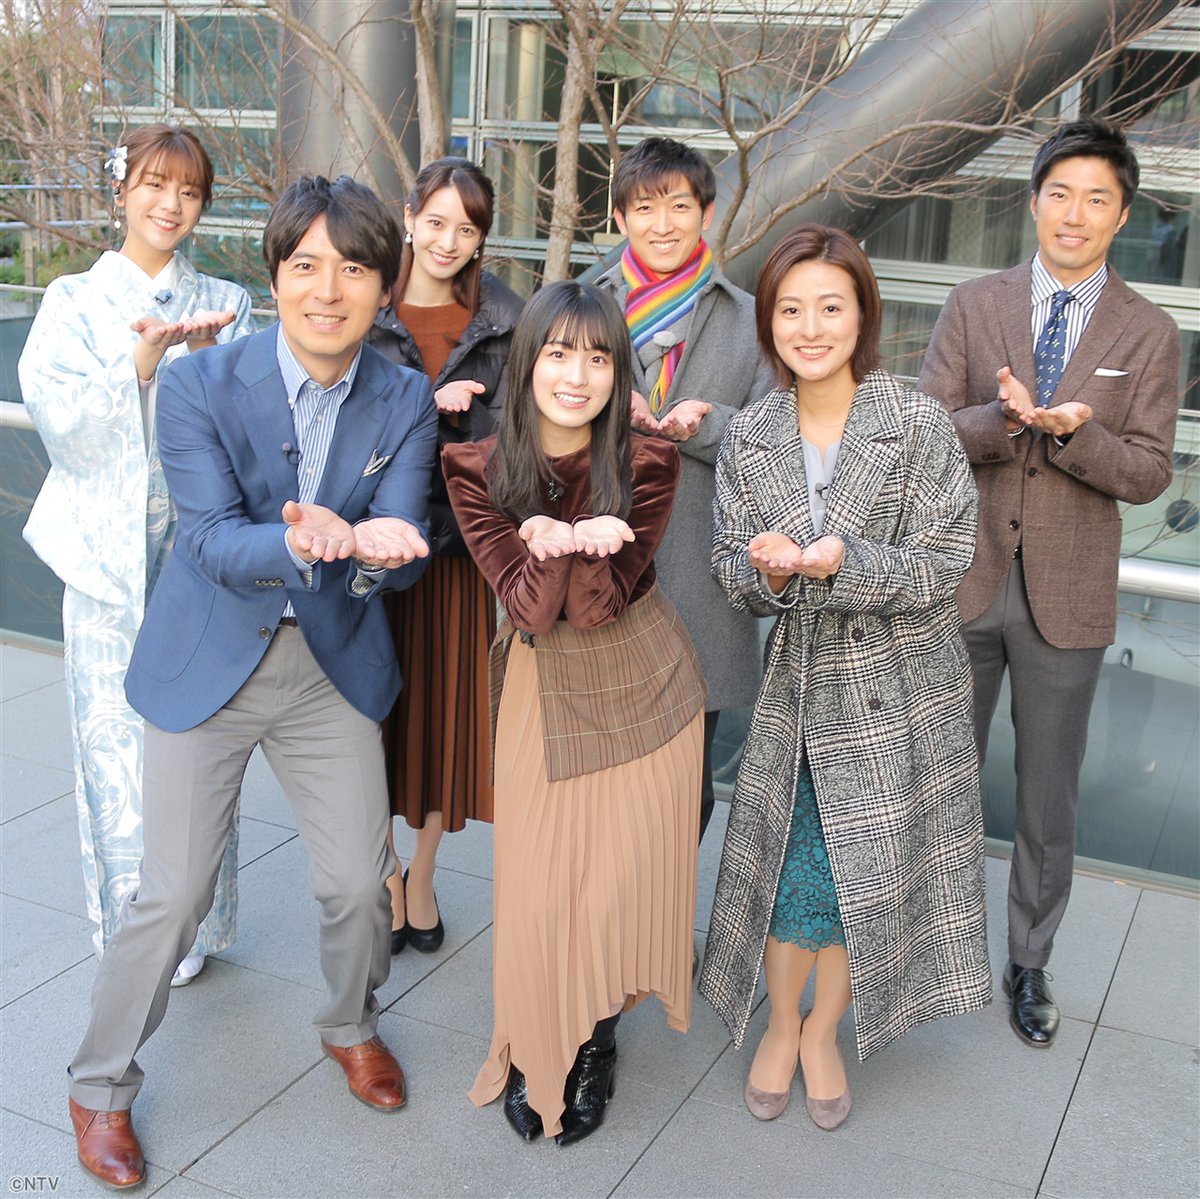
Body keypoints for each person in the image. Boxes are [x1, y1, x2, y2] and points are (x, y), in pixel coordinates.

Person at [64, 174, 438, 1190]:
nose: (328, 289)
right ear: (275, 278)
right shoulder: (199, 383)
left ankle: (351, 1024)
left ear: (383, 286)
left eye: (353, 268)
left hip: (329, 667)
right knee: (174, 890)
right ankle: (98, 1085)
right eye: (306, 265)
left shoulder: (403, 395)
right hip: (210, 659)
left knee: (359, 882)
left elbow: (404, 536)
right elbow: (212, 540)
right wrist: (305, 539)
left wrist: (376, 551)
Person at [699, 225, 990, 1131]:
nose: (811, 327)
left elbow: (948, 559)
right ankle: (782, 1023)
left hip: (901, 690)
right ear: (768, 322)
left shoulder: (916, 421)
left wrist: (846, 562)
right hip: (799, 690)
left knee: (863, 875)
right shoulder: (751, 433)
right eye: (790, 309)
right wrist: (770, 572)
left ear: (863, 314)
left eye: (831, 306)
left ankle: (824, 1030)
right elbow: (730, 567)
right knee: (791, 874)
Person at [918, 117, 1180, 1049]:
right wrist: (1002, 420)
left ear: (1121, 214)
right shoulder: (972, 302)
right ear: (1034, 202)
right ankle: (923, 941)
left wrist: (1077, 434)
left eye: (1096, 198)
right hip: (963, 578)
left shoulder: (1150, 331)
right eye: (1060, 193)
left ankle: (1029, 960)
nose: (1075, 213)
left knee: (1047, 794)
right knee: (936, 775)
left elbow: (1150, 471)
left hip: (1067, 597)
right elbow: (925, 430)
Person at [443, 281, 706, 1145]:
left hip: (644, 682)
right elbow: (528, 609)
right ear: (526, 363)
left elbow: (599, 609)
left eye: (598, 358)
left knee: (608, 888)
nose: (577, 374)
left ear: (618, 373)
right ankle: (531, 1042)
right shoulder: (476, 467)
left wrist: (586, 539)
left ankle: (594, 1038)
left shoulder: (648, 460)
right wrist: (551, 547)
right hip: (541, 685)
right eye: (558, 352)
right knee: (537, 884)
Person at [19, 123, 252, 985]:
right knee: (113, 747)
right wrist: (137, 367)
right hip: (105, 565)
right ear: (121, 189)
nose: (170, 204)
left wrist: (205, 360)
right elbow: (58, 418)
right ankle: (133, 925)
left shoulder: (225, 301)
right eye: (155, 184)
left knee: (198, 742)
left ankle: (193, 919)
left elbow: (254, 428)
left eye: (189, 192)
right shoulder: (72, 300)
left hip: (199, 561)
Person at [595, 136, 775, 846]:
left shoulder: (749, 319)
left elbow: (774, 439)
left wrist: (702, 426)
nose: (663, 223)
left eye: (678, 205)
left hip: (700, 574)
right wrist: (612, 416)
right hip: (600, 568)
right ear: (619, 218)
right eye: (644, 207)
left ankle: (662, 910)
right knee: (597, 772)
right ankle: (600, 907)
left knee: (684, 786)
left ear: (706, 212)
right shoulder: (585, 308)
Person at [370, 157, 522, 954]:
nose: (447, 240)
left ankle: (422, 871)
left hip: (459, 549)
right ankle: (384, 869)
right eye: (435, 221)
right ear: (408, 218)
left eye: (466, 228)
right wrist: (422, 410)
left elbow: (529, 433)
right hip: (372, 547)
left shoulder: (506, 318)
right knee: (367, 720)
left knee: (444, 720)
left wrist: (475, 424)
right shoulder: (365, 301)